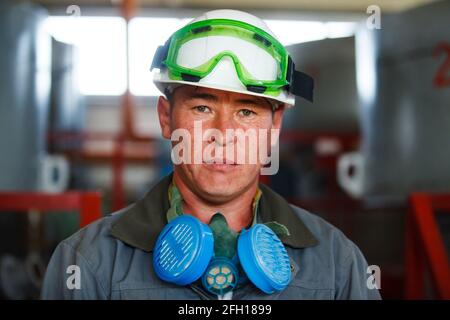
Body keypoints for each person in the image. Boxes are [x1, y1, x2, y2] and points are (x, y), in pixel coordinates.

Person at [41, 9, 381, 300]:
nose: (223, 134)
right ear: (165, 117)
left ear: (274, 127)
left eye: (247, 112)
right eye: (202, 107)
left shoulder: (337, 264)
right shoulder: (88, 262)